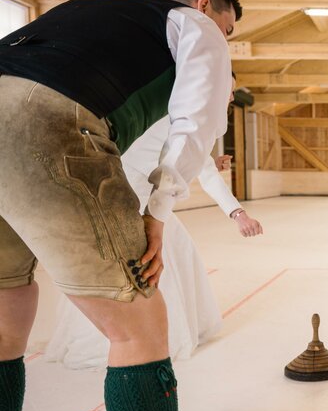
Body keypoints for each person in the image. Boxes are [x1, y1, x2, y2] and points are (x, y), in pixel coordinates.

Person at [0, 0, 248, 411]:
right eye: (226, 29)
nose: (222, 40)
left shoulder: (92, 12)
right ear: (206, 6)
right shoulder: (196, 24)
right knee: (137, 321)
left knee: (4, 306)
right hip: (42, 125)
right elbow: (196, 120)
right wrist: (158, 209)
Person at [47, 112, 264, 371]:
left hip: (119, 194)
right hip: (138, 204)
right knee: (156, 262)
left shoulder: (150, 112)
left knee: (168, 252)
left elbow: (167, 157)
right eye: (228, 92)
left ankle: (121, 333)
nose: (228, 100)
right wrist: (238, 214)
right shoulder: (190, 117)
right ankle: (143, 339)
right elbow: (202, 173)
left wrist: (207, 162)